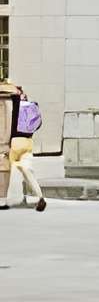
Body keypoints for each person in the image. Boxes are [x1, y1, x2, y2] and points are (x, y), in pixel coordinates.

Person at [1, 81, 46, 213]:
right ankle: (39, 196)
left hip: (15, 142)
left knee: (6, 168)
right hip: (28, 142)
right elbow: (38, 124)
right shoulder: (31, 105)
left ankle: (3, 199)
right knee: (27, 171)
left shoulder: (13, 106)